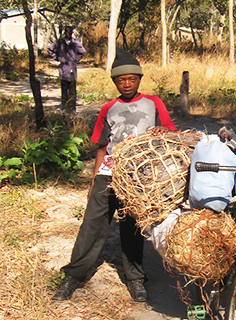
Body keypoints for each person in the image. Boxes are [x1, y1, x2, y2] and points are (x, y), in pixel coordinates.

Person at [52, 49, 177, 302]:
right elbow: (101, 147)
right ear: (114, 82)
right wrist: (94, 181)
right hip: (108, 172)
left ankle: (135, 279)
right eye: (121, 80)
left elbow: (172, 135)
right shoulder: (108, 108)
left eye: (132, 79)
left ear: (139, 79)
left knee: (132, 226)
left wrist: (162, 132)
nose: (127, 84)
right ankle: (73, 275)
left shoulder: (154, 104)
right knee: (92, 223)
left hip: (139, 176)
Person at [47, 26, 86, 115]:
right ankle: (64, 108)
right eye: (67, 32)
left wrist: (76, 59)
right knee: (64, 91)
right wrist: (58, 58)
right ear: (65, 32)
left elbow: (82, 52)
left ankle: (72, 110)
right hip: (63, 71)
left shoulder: (75, 43)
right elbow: (50, 49)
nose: (69, 33)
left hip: (72, 70)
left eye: (70, 32)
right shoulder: (59, 43)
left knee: (72, 92)